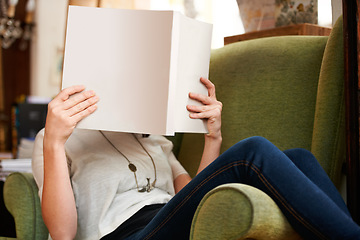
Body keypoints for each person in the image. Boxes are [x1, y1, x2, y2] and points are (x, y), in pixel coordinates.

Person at [32, 77, 360, 240]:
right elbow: (63, 233)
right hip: (126, 236)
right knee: (254, 151)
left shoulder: (155, 138)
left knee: (300, 159)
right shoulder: (56, 138)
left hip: (170, 222)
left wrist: (212, 137)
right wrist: (56, 143)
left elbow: (197, 196)